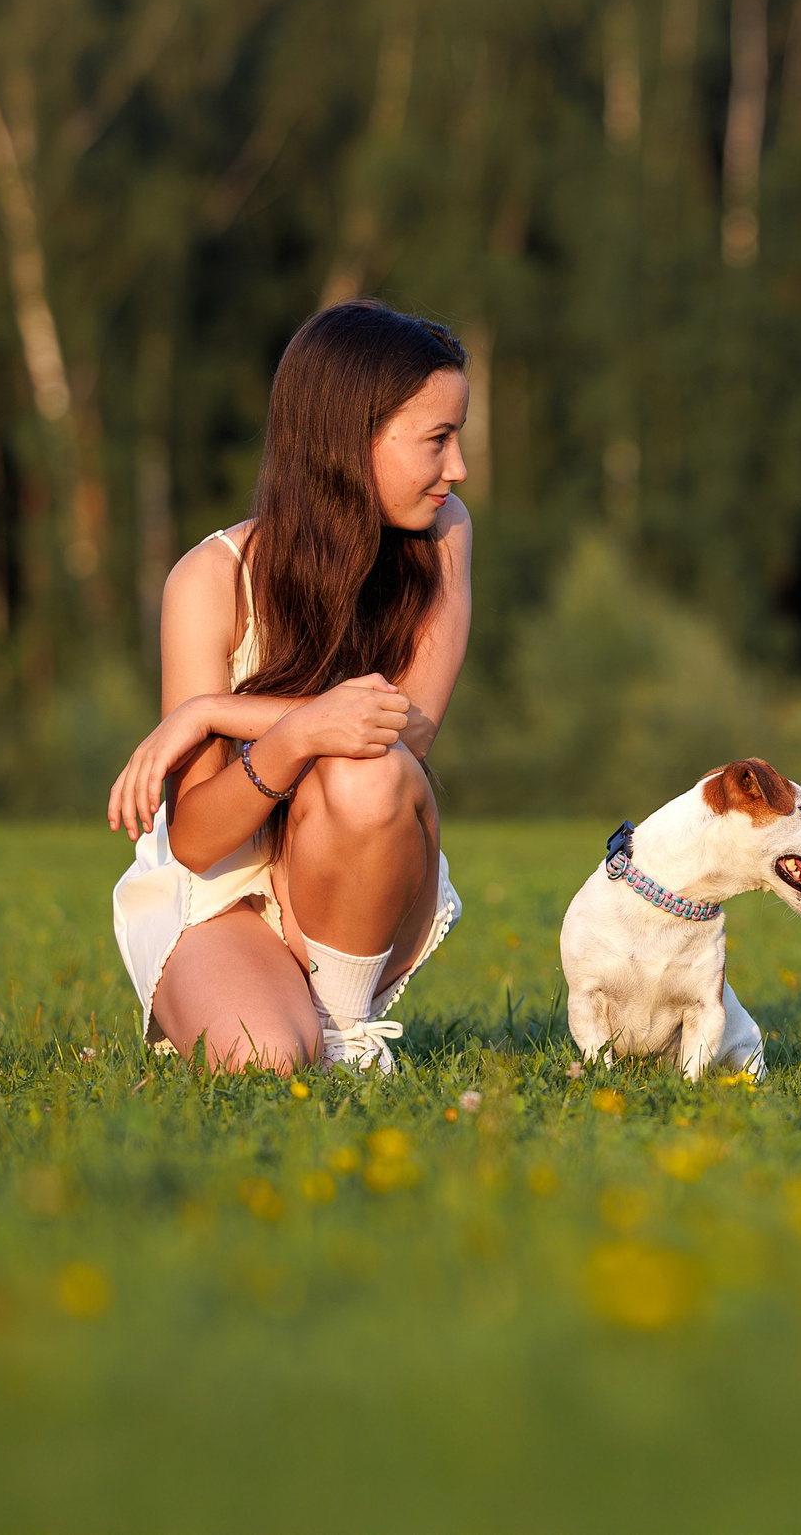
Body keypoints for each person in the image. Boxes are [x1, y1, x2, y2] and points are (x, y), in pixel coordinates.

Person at [105, 301, 474, 1074]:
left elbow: (407, 734)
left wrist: (218, 711)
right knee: (266, 1061)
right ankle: (255, 1009)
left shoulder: (443, 537)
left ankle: (342, 1029)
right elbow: (200, 841)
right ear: (348, 441)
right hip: (221, 890)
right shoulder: (209, 580)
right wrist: (298, 732)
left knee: (367, 766)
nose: (458, 468)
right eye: (438, 440)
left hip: (359, 862)